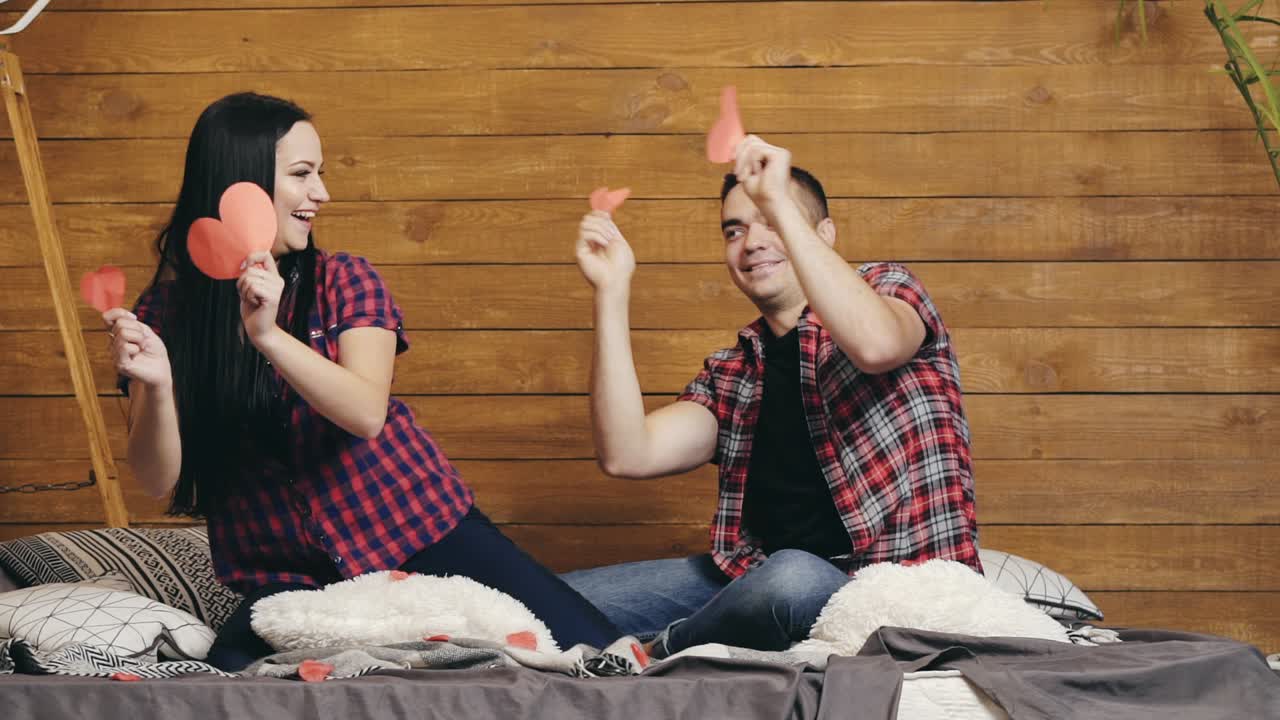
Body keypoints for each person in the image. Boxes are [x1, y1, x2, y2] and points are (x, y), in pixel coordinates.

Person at [104, 92, 620, 671]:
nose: (321, 193)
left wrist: (270, 337)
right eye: (302, 175)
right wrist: (156, 384)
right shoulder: (166, 314)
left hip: (425, 535)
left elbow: (365, 412)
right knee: (226, 684)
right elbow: (155, 478)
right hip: (288, 581)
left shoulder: (344, 279)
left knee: (600, 657)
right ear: (240, 183)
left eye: (319, 174)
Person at [564, 135, 981, 658]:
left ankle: (656, 653)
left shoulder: (888, 290)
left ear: (822, 233)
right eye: (734, 230)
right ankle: (696, 634)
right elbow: (629, 453)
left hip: (887, 589)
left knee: (794, 577)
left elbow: (876, 345)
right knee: (549, 600)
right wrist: (611, 290)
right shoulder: (737, 370)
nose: (752, 242)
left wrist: (778, 200)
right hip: (754, 580)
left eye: (769, 220)